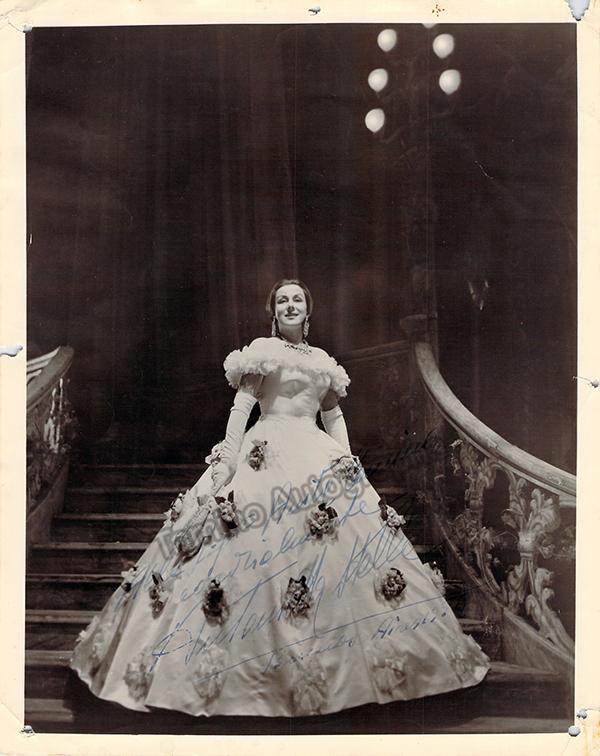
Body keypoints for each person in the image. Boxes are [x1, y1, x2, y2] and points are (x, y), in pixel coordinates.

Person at [70, 278, 490, 717]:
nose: (291, 305)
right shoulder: (263, 351)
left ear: (308, 311)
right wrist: (226, 463)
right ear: (273, 311)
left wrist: (349, 465)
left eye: (298, 300)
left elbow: (333, 414)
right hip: (265, 452)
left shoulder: (323, 360)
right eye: (283, 300)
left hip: (316, 453)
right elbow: (241, 409)